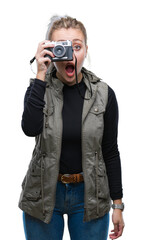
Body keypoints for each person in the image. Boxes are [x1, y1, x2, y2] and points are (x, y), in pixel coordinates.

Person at [19, 15, 125, 240]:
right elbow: (30, 128)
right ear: (49, 51)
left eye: (76, 47)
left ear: (86, 49)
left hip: (91, 194)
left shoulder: (104, 94)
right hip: (43, 192)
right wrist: (40, 74)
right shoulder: (38, 89)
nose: (70, 55)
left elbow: (110, 150)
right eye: (61, 48)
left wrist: (118, 204)